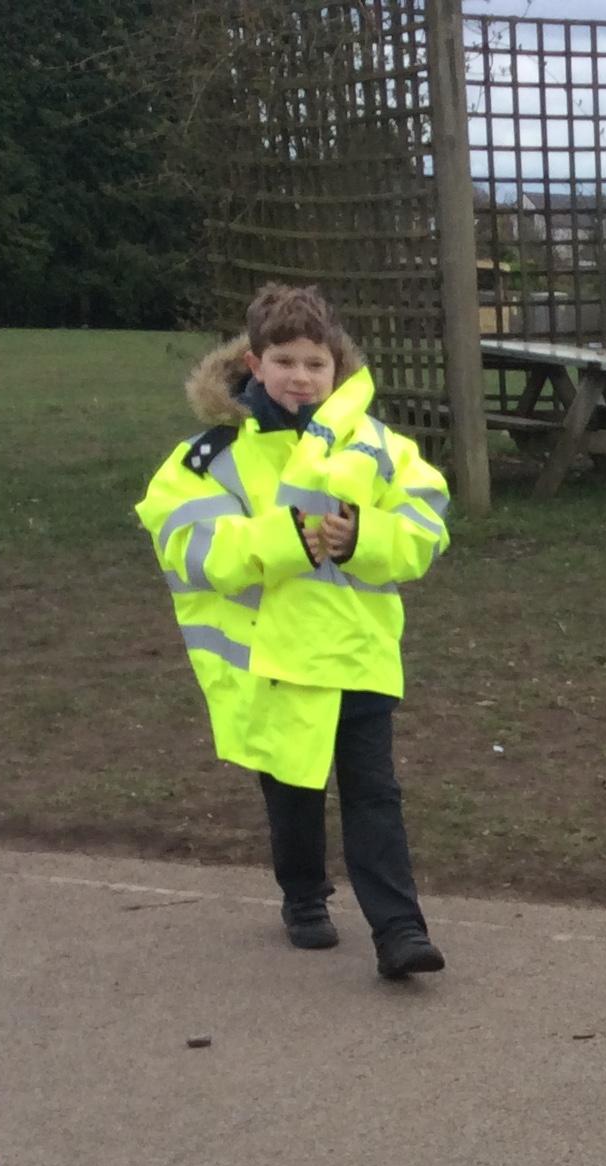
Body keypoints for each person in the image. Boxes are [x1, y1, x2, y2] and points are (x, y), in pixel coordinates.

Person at [135, 283, 450, 979]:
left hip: (358, 651)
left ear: (337, 365)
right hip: (274, 661)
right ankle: (304, 897)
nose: (300, 377)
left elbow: (426, 525)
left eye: (315, 363)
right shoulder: (211, 457)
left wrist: (363, 537)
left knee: (374, 794)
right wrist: (288, 542)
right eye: (284, 361)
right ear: (254, 363)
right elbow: (190, 547)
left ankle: (400, 930)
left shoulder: (376, 446)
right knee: (293, 791)